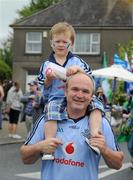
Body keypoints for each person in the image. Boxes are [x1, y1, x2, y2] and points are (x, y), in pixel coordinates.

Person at [20, 72, 124, 180]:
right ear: (66, 91)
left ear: (91, 96)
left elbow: (118, 164)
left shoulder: (102, 123)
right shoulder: (48, 119)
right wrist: (39, 147)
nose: (79, 95)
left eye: (85, 91)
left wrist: (104, 149)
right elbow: (25, 158)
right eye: (75, 89)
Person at [38, 22, 104, 159]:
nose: (61, 44)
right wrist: (49, 80)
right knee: (50, 109)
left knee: (97, 105)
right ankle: (48, 146)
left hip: (78, 97)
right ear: (51, 43)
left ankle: (95, 138)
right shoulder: (46, 65)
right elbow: (42, 88)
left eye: (64, 41)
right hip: (56, 98)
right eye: (57, 41)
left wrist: (79, 71)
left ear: (71, 43)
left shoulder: (78, 62)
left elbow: (92, 82)